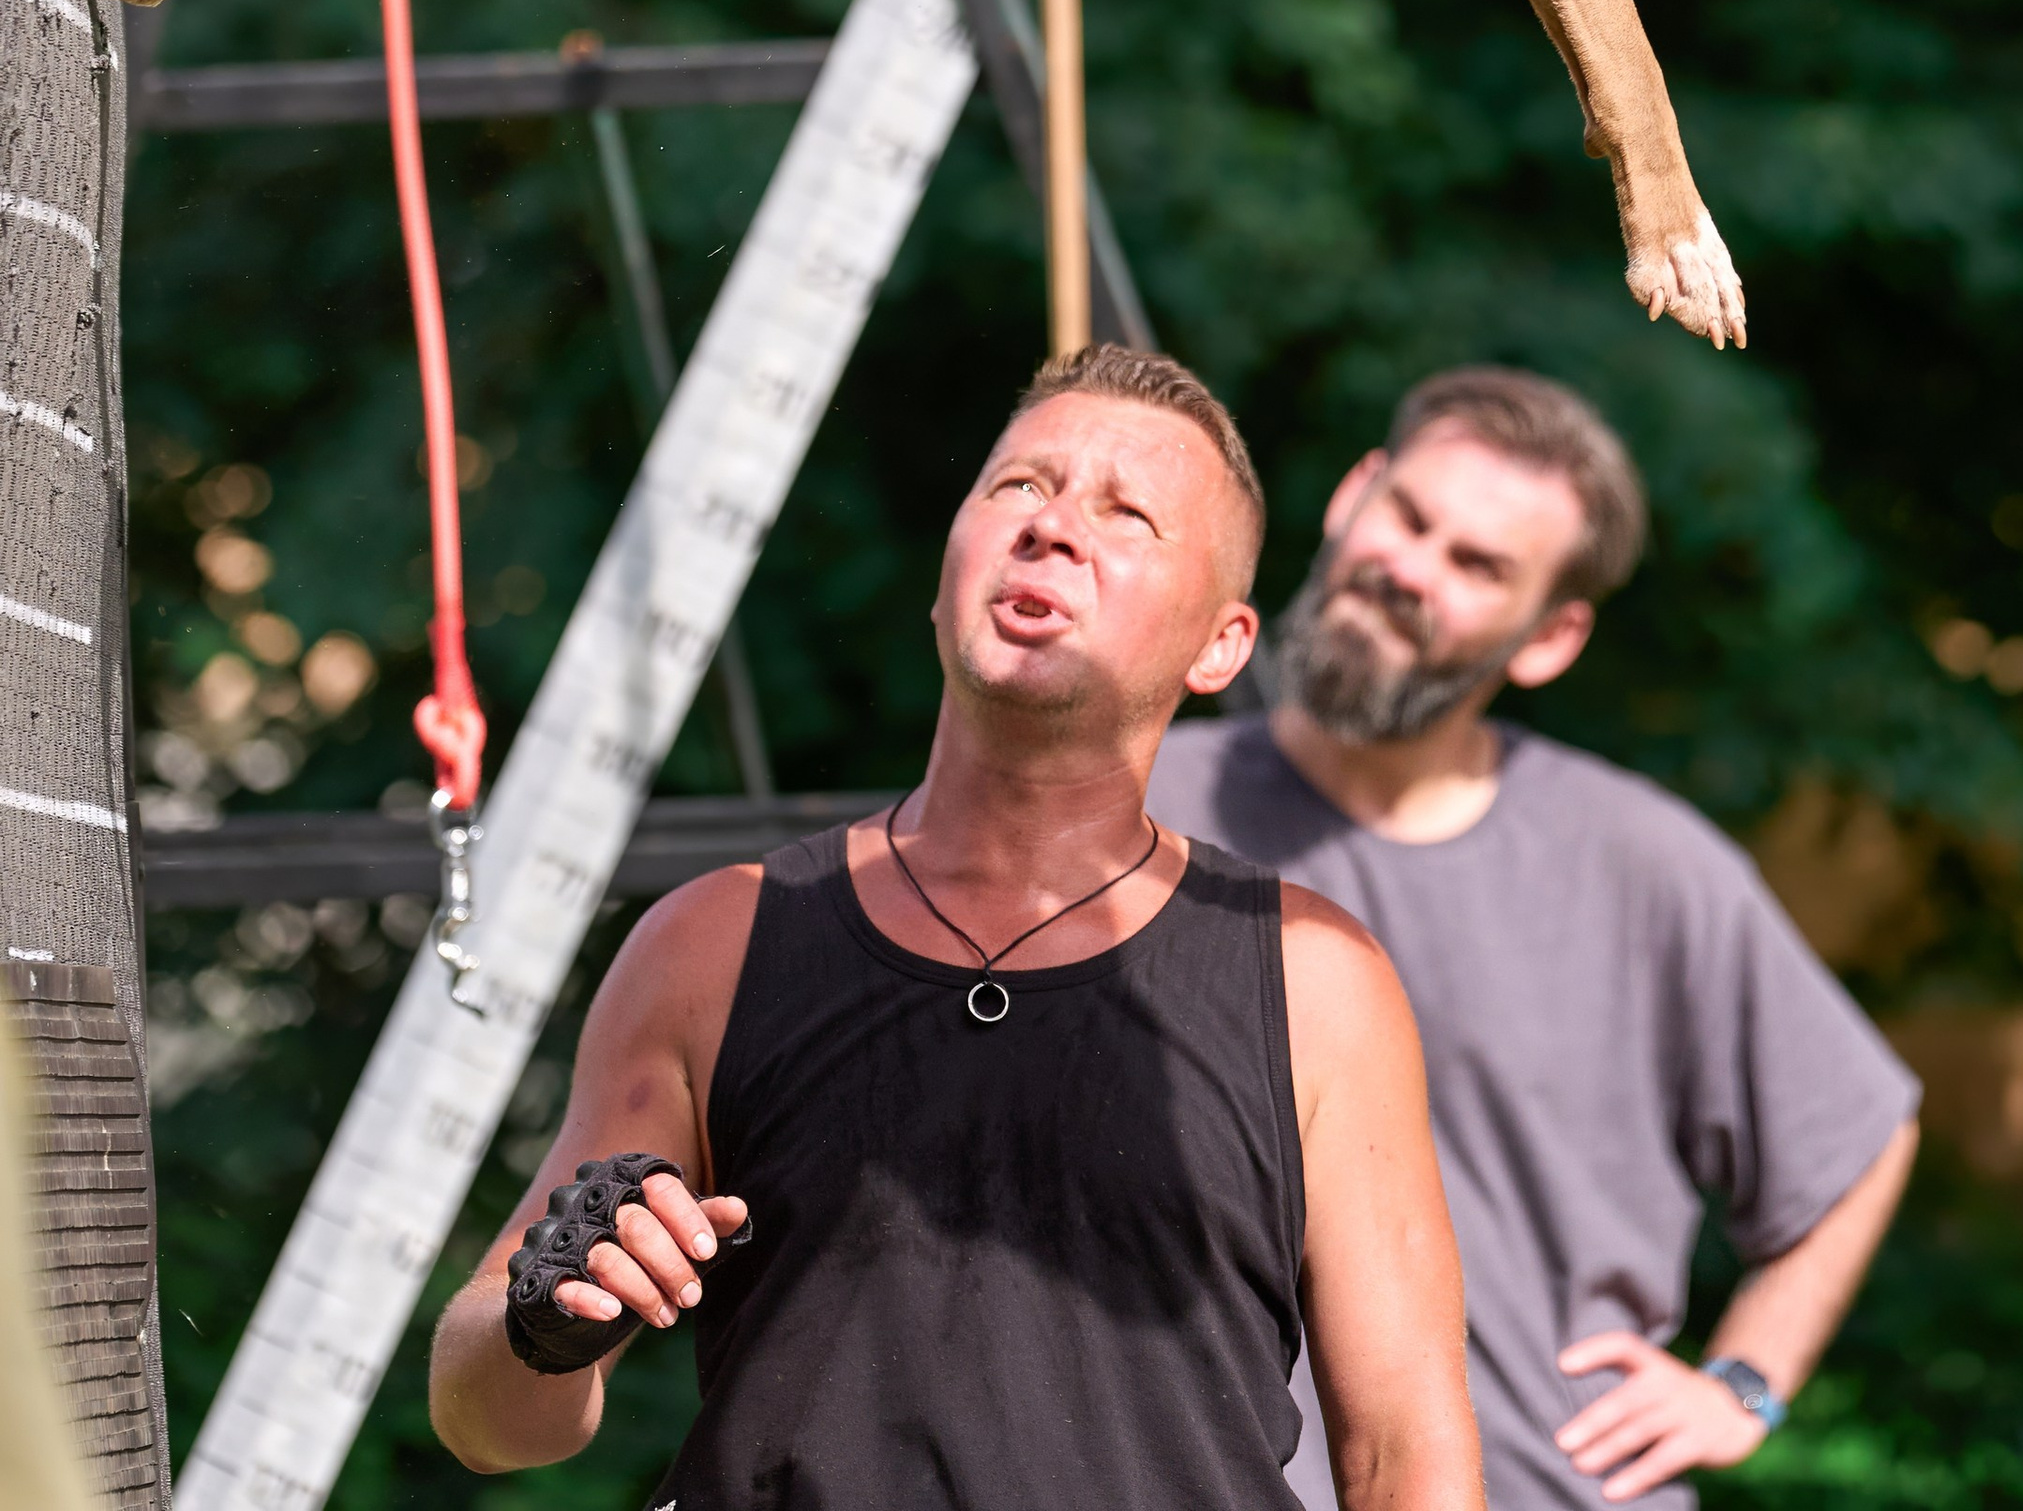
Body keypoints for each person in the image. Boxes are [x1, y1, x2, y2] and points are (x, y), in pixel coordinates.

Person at [431, 343, 1484, 1511]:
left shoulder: (1314, 979)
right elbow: (487, 1425)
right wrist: (541, 1319)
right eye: (1018, 487)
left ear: (1221, 645)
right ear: (948, 573)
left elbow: (1406, 1459)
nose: (1054, 527)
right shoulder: (717, 942)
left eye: (1127, 513)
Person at [1150, 368, 1920, 1504]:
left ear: (1550, 636)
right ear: (1354, 492)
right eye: (1409, 516)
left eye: (1477, 567)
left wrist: (1745, 1382)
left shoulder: (1640, 865)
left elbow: (1859, 1133)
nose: (1410, 569)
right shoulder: (1130, 809)